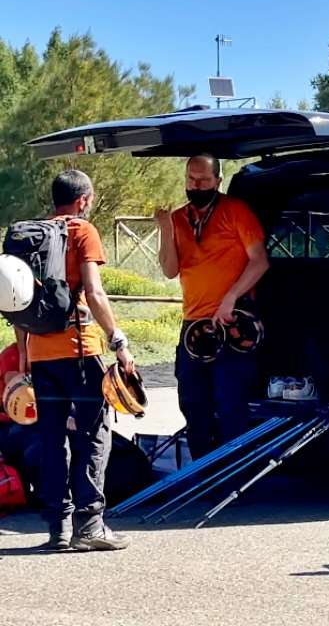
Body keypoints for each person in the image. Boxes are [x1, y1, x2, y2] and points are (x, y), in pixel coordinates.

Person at [14, 169, 136, 552]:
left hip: (40, 352)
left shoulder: (29, 238)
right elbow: (95, 292)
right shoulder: (82, 231)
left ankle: (58, 529)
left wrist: (23, 353)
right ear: (83, 199)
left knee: (51, 440)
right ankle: (91, 525)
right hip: (80, 351)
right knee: (93, 435)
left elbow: (18, 303)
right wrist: (118, 341)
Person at [156, 154, 269, 459]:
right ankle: (202, 471)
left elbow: (259, 261)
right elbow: (169, 270)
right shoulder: (179, 218)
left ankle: (233, 473)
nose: (197, 185)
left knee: (230, 402)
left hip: (230, 322)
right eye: (191, 179)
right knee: (193, 402)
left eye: (204, 180)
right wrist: (166, 229)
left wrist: (231, 297)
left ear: (218, 181)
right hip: (194, 324)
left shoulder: (236, 211)